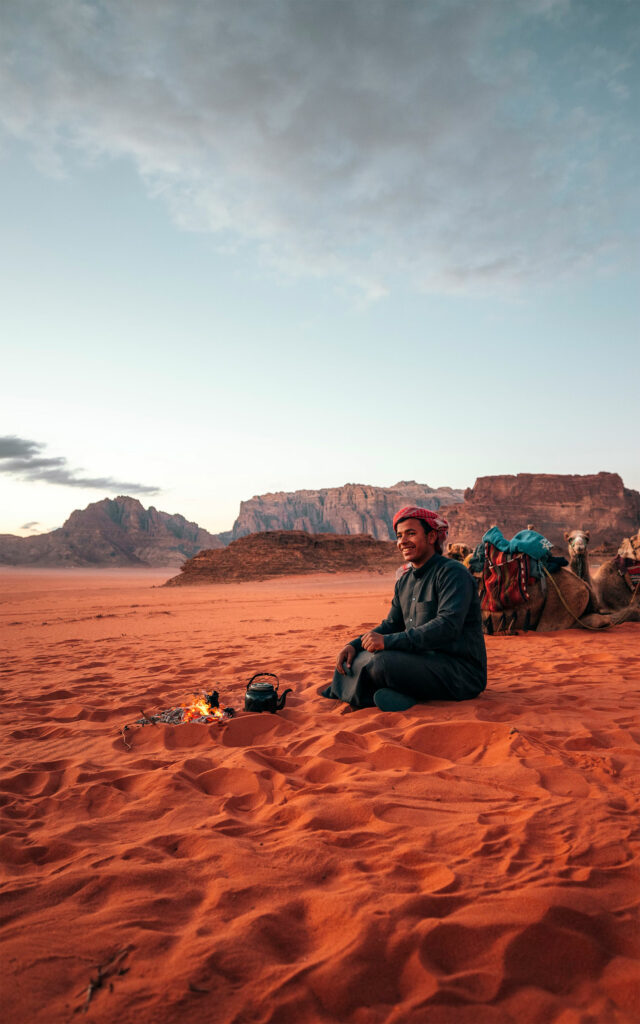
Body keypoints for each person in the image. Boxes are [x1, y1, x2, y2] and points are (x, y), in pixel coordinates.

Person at [320, 506, 487, 711]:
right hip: (421, 661)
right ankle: (393, 694)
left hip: (460, 672)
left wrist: (387, 642)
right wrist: (354, 645)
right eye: (399, 536)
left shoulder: (453, 573)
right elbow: (392, 624)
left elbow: (447, 626)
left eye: (411, 533)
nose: (403, 541)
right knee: (356, 658)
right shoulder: (404, 581)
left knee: (381, 663)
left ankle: (377, 694)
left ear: (432, 536)